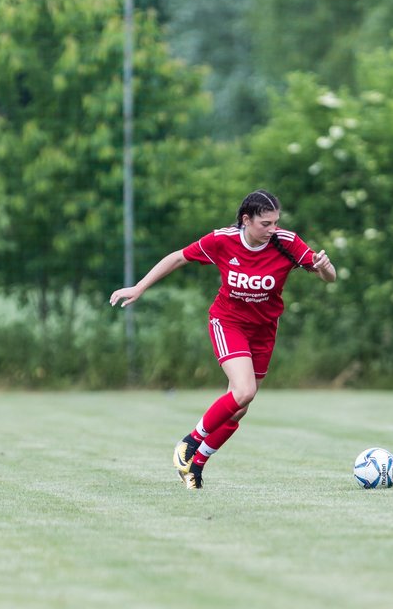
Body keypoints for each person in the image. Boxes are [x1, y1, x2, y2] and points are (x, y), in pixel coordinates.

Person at [110, 189, 337, 489]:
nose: (272, 230)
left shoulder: (287, 243)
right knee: (244, 391)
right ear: (246, 220)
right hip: (228, 322)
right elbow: (178, 257)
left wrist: (324, 268)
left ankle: (195, 465)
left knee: (241, 405)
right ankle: (189, 443)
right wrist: (139, 287)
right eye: (265, 224)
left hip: (264, 330)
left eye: (275, 223)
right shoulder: (223, 240)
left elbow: (329, 277)